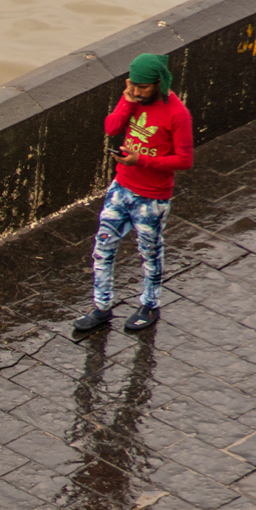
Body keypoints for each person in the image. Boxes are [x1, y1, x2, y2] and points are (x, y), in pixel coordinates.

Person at [72, 54, 193, 337]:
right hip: (121, 187)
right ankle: (102, 308)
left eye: (143, 87)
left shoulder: (178, 114)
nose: (137, 91)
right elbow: (112, 128)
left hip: (152, 198)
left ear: (159, 84)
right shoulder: (133, 100)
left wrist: (141, 161)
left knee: (150, 253)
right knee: (102, 248)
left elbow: (185, 160)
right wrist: (127, 100)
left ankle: (150, 305)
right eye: (133, 85)